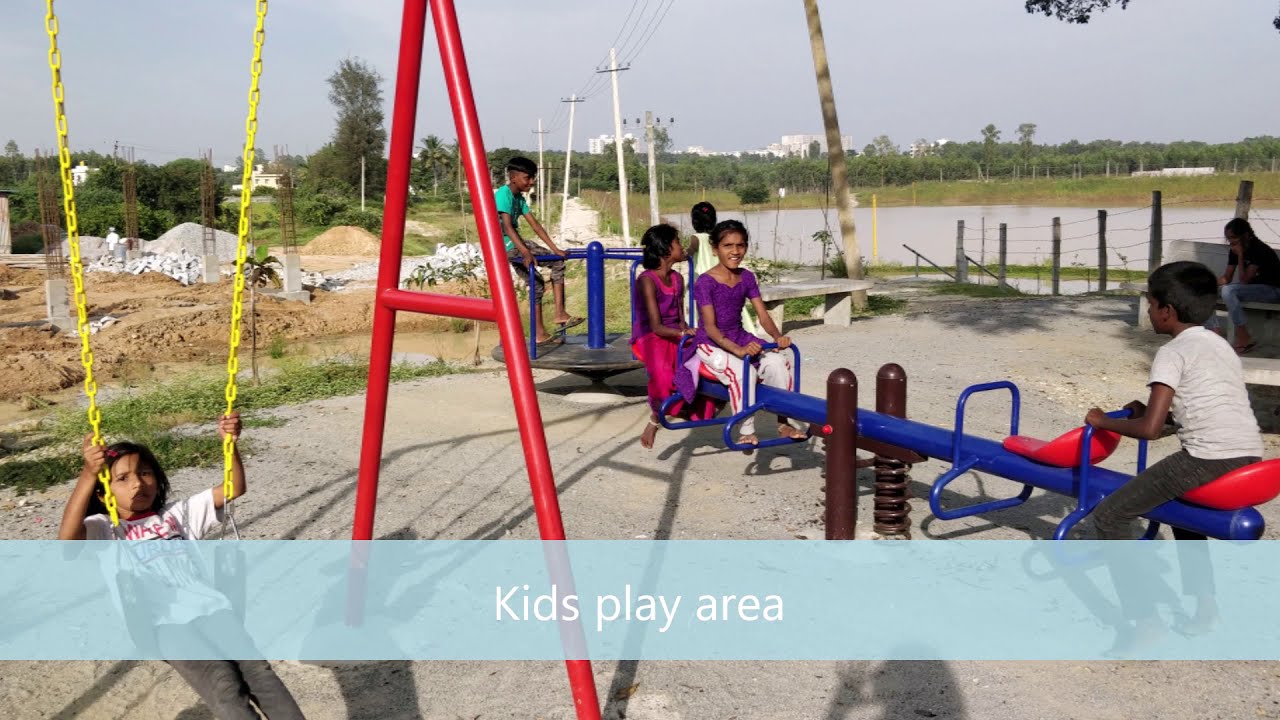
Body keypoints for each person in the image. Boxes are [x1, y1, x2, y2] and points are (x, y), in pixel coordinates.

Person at [58, 413, 305, 720]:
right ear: (103, 491)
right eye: (122, 478)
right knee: (223, 687)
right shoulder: (106, 529)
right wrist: (87, 474)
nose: (137, 483)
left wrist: (230, 444)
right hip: (164, 624)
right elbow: (68, 543)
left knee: (260, 672)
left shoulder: (175, 515)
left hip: (212, 608)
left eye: (145, 473)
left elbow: (232, 488)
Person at [1084, 261, 1262, 648]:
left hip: (1208, 458)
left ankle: (1145, 623)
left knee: (1111, 515)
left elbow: (1150, 432)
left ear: (1166, 310)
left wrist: (1103, 422)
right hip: (1249, 456)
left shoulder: (1172, 352)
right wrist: (1142, 411)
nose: (1148, 311)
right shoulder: (1219, 345)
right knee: (1186, 519)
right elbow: (1186, 416)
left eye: (1150, 304)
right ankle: (1206, 609)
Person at [687, 219, 804, 449]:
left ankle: (784, 421)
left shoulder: (747, 277)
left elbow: (762, 315)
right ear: (714, 249)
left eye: (740, 245)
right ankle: (747, 429)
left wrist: (777, 337)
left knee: (778, 362)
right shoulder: (705, 282)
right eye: (728, 246)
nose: (735, 251)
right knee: (743, 372)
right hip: (711, 342)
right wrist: (738, 350)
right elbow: (710, 327)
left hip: (739, 335)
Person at [632, 223, 711, 449]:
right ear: (667, 249)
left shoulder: (677, 278)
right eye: (677, 242)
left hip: (674, 332)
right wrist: (683, 333)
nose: (682, 247)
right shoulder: (647, 279)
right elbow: (656, 326)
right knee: (666, 374)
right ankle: (655, 419)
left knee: (703, 359)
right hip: (651, 336)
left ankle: (693, 407)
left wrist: (688, 332)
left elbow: (679, 317)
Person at [497, 156, 581, 347]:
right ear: (513, 177)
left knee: (537, 283)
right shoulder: (504, 194)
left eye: (532, 178)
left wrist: (554, 248)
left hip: (514, 244)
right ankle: (560, 313)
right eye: (528, 178)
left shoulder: (519, 198)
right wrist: (526, 252)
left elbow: (534, 225)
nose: (531, 182)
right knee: (557, 263)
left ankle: (539, 333)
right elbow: (507, 227)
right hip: (509, 245)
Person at [686, 202, 761, 336]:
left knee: (702, 311)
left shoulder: (696, 238)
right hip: (723, 275)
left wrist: (683, 254)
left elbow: (690, 251)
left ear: (694, 221)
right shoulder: (717, 237)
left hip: (704, 276)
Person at [1213, 218, 1280, 354]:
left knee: (1228, 291)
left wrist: (1240, 256)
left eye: (1233, 238)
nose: (1231, 242)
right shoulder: (1234, 249)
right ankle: (1215, 332)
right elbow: (1227, 278)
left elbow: (1244, 280)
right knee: (1206, 292)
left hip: (1272, 290)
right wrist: (1206, 283)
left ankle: (1243, 335)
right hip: (1252, 289)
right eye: (1228, 238)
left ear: (1246, 235)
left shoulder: (1259, 249)